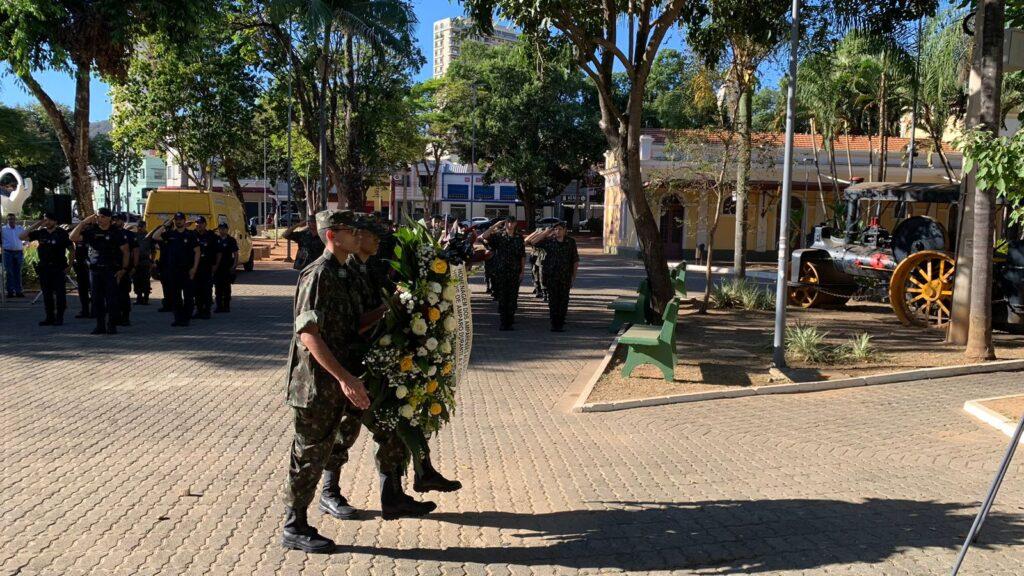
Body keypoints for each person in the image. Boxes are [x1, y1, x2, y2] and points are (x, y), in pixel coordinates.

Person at [281, 209, 372, 553]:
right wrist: (346, 378)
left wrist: (391, 307)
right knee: (307, 453)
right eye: (351, 230)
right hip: (315, 382)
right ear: (332, 234)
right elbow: (308, 334)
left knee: (321, 450)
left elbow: (351, 324)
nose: (358, 236)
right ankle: (294, 526)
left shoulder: (343, 272)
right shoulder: (318, 274)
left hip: (334, 380)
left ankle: (305, 515)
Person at [70, 208, 130, 335]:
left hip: (111, 270)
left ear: (109, 218)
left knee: (112, 300)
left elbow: (125, 251)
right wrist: (83, 222)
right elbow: (73, 237)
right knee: (97, 300)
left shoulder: (116, 232)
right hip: (95, 270)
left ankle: (112, 325)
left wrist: (123, 269)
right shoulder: (92, 231)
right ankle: (100, 325)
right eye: (97, 216)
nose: (99, 219)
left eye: (102, 216)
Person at [20, 213, 73, 326]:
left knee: (60, 294)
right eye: (45, 220)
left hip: (58, 268)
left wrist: (69, 265)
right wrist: (37, 223)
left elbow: (71, 249)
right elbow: (21, 236)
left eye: (49, 220)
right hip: (44, 268)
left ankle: (59, 317)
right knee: (47, 294)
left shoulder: (61, 233)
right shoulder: (41, 232)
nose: (47, 222)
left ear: (55, 221)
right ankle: (49, 317)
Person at [526, 221, 579, 332]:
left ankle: (560, 322)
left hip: (565, 277)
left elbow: (574, 260)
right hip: (551, 277)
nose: (558, 231)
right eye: (556, 229)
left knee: (564, 301)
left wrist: (574, 276)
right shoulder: (549, 241)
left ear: (565, 230)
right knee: (553, 301)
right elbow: (532, 242)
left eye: (560, 229)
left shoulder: (570, 242)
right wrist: (546, 232)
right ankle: (554, 324)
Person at [151, 212, 199, 327]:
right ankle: (178, 318)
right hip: (173, 270)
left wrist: (194, 268)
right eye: (176, 219)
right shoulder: (170, 234)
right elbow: (155, 236)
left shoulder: (190, 235)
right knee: (175, 297)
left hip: (187, 270)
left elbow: (197, 251)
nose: (178, 221)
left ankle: (186, 318)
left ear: (184, 220)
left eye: (181, 219)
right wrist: (165, 224)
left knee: (188, 297)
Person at [479, 216, 525, 330]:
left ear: (515, 224)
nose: (510, 224)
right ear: (505, 224)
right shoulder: (499, 236)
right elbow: (483, 236)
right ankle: (504, 323)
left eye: (512, 222)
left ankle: (510, 321)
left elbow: (522, 256)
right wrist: (495, 225)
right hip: (501, 271)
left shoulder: (519, 238)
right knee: (503, 298)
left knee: (513, 298)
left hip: (514, 271)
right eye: (508, 222)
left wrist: (522, 271)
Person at [111, 213, 137, 326]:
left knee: (124, 294)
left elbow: (135, 251)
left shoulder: (129, 235)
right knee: (112, 294)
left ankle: (125, 317)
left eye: (117, 220)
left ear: (122, 221)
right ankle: (115, 316)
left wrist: (134, 266)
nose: (115, 222)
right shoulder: (109, 233)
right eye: (113, 220)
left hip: (125, 269)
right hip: (111, 268)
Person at [192, 216, 218, 319]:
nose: (199, 225)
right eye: (197, 223)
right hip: (196, 267)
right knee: (197, 290)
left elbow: (217, 252)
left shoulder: (211, 236)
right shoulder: (193, 235)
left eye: (201, 223)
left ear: (205, 224)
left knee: (206, 290)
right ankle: (198, 310)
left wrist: (215, 266)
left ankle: (207, 311)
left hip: (207, 267)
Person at [213, 223, 238, 313]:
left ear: (227, 230)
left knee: (226, 288)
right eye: (220, 229)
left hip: (227, 267)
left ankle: (226, 306)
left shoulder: (231, 240)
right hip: (218, 268)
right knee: (218, 288)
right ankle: (219, 306)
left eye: (223, 229)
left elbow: (235, 254)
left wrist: (234, 266)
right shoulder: (216, 239)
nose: (222, 230)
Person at [2, 213, 26, 298]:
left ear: (15, 220)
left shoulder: (20, 228)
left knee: (17, 272)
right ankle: (10, 292)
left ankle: (19, 291)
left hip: (18, 253)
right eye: (9, 219)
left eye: (13, 219)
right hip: (8, 253)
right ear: (7, 220)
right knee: (9, 273)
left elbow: (25, 238)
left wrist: (24, 243)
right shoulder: (3, 229)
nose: (11, 220)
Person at [133, 220, 153, 305]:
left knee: (145, 281)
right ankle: (139, 297)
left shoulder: (149, 237)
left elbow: (153, 251)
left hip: (145, 261)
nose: (140, 228)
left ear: (145, 226)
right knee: (136, 280)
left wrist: (151, 261)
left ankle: (146, 298)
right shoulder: (134, 236)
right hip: (136, 262)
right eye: (138, 226)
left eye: (141, 226)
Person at [72, 232, 91, 318]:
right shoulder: (78, 232)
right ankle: (85, 310)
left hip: (92, 265)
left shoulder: (93, 231)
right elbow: (71, 237)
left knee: (94, 289)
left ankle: (95, 310)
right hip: (80, 265)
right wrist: (81, 224)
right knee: (82, 290)